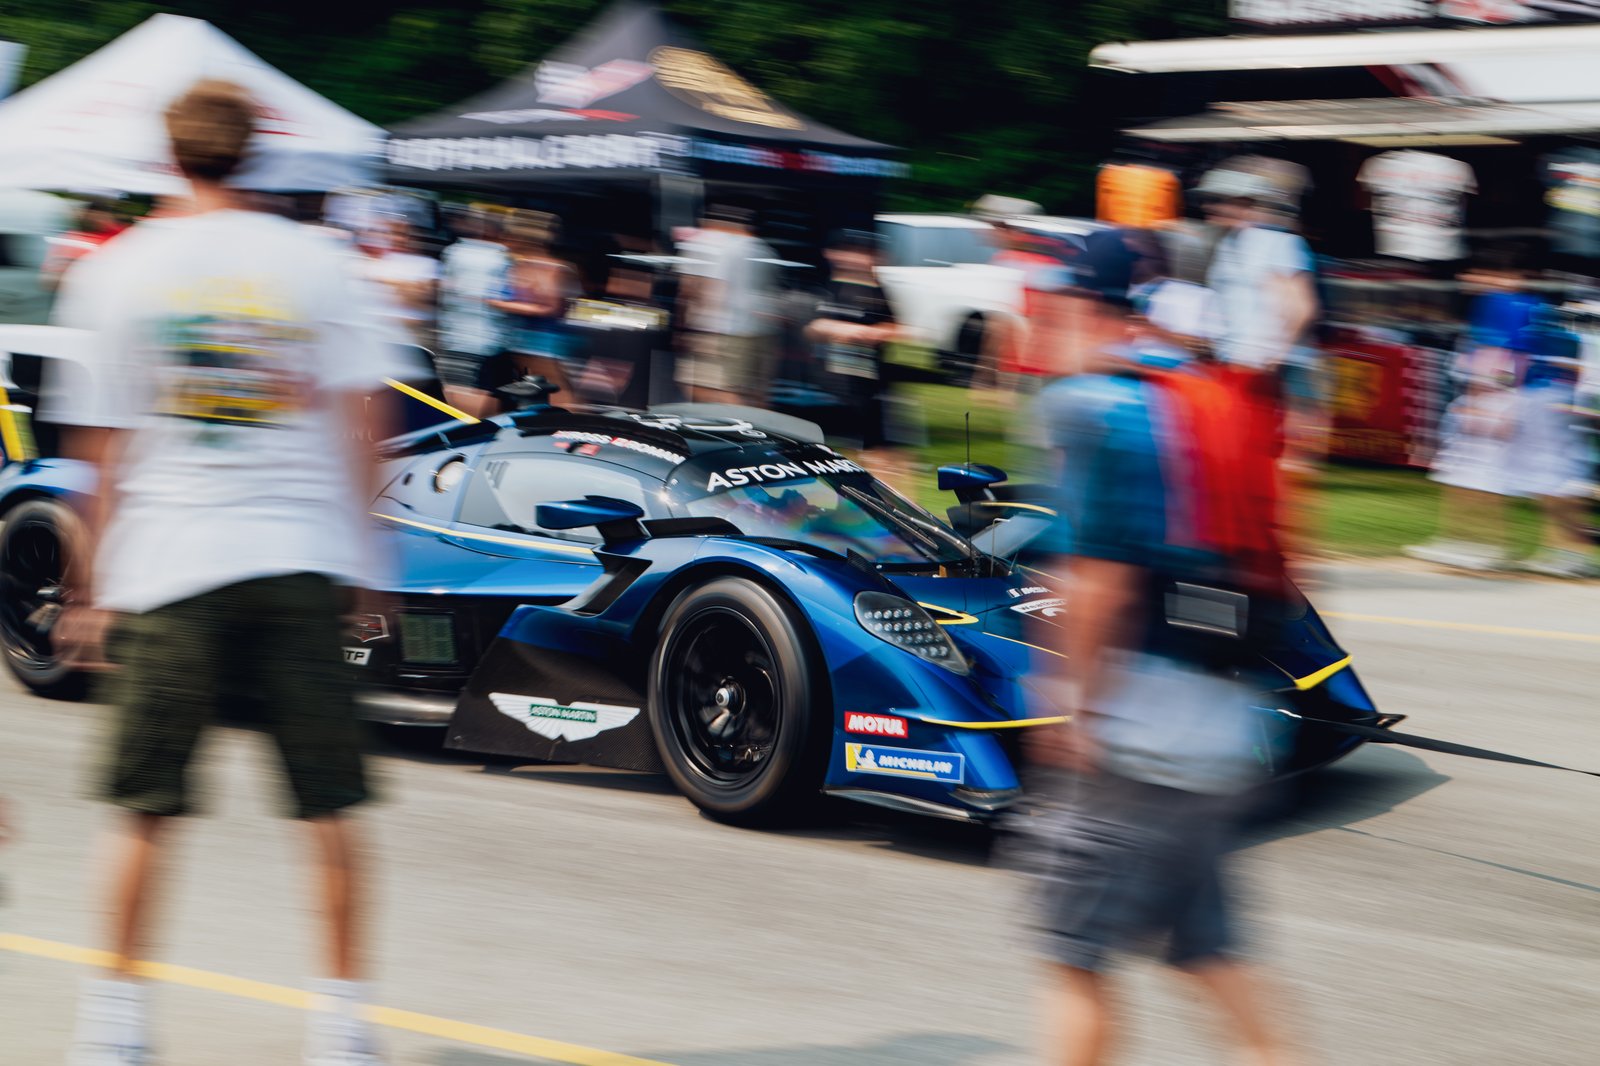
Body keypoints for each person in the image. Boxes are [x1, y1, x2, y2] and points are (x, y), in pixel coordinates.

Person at [47, 79, 399, 1066]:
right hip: (295, 557)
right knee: (327, 805)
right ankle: (341, 1030)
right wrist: (366, 565)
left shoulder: (118, 271)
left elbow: (100, 448)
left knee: (144, 806)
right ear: (256, 156)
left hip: (169, 562)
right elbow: (363, 424)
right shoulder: (318, 262)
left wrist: (91, 589)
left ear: (170, 157)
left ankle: (112, 1029)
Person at [1024, 279, 1301, 1066]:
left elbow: (1099, 582)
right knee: (1210, 957)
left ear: (1100, 315)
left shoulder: (1095, 409)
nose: (1043, 331)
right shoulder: (1201, 401)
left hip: (1131, 738)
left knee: (1072, 959)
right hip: (1218, 729)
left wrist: (1071, 710)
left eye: (1053, 314)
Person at [806, 230, 902, 458]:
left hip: (868, 380)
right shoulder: (826, 286)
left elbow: (895, 328)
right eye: (851, 252)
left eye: (864, 254)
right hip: (830, 380)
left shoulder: (877, 290)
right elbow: (810, 327)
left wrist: (869, 333)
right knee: (828, 447)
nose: (857, 259)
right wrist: (836, 329)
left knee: (875, 448)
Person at [675, 204, 779, 405]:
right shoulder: (762, 248)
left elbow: (695, 289)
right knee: (752, 395)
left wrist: (686, 330)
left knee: (703, 388)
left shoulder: (704, 241)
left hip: (718, 330)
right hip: (761, 334)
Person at [487, 209, 581, 400]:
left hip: (545, 342)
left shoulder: (553, 269)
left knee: (555, 387)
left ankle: (572, 425)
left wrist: (503, 305)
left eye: (511, 235)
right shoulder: (518, 265)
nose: (506, 240)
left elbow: (551, 307)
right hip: (519, 340)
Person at [435, 206, 511, 391]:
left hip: (457, 337)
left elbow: (446, 288)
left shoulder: (454, 252)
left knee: (457, 390)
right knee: (481, 391)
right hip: (487, 339)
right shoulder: (501, 256)